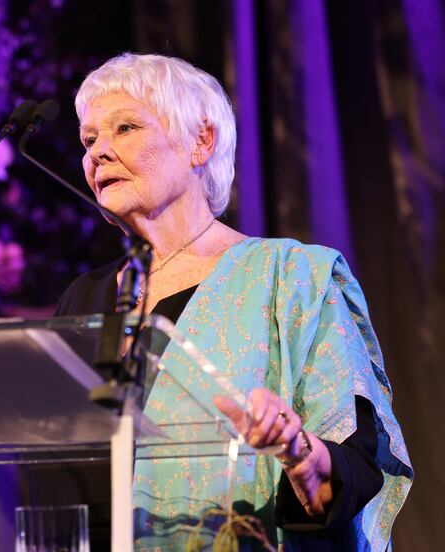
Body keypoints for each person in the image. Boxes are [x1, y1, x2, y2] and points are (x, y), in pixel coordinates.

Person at [54, 53, 412, 550]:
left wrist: (299, 453)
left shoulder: (292, 278)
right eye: (89, 140)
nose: (98, 153)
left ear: (201, 141)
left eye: (125, 128)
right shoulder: (83, 297)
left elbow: (358, 460)